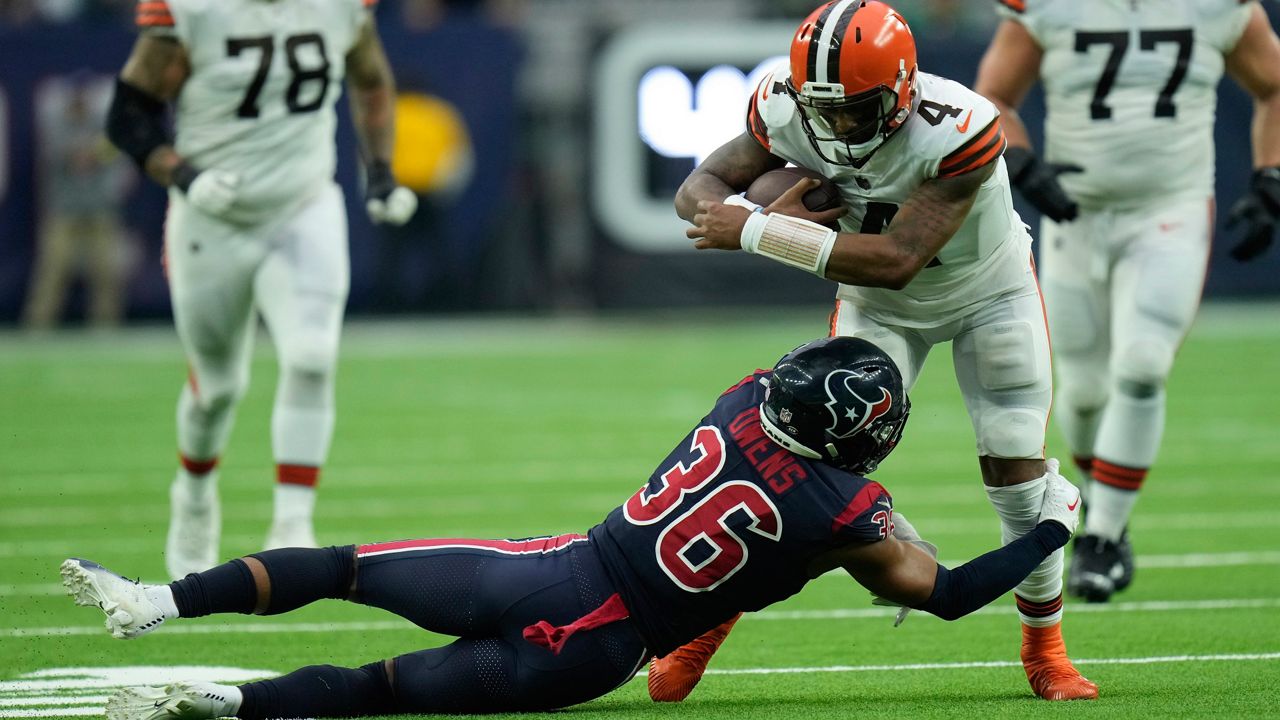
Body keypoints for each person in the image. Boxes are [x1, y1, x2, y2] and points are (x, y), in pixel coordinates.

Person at [60, 337, 1083, 719]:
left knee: (338, 567)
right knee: (374, 694)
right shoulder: (840, 511)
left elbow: (793, 440)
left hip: (545, 571)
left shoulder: (739, 398)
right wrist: (1046, 531)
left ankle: (154, 603)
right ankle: (223, 707)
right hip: (597, 648)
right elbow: (941, 594)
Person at [666, 0, 1095, 702]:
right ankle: (709, 625)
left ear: (901, 90)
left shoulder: (960, 127)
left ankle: (1044, 648)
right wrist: (754, 213)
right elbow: (699, 191)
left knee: (1018, 480)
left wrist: (757, 233)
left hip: (987, 291)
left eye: (855, 111)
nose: (836, 127)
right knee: (798, 471)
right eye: (822, 109)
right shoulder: (783, 101)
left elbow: (899, 257)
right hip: (877, 307)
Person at [973, 0, 1280, 602]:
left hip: (1172, 208)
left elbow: (1273, 85)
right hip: (1077, 214)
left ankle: (1105, 537)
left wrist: (1271, 175)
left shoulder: (1216, 7)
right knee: (1083, 392)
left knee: (1142, 366)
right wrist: (1021, 158)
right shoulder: (1048, 8)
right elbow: (994, 99)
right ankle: (1108, 509)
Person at [104, 0, 419, 580]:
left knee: (312, 356)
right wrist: (185, 176)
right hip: (211, 216)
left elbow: (371, 81)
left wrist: (379, 173)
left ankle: (293, 524)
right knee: (217, 387)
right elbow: (128, 115)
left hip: (303, 204)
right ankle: (194, 498)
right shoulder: (192, 8)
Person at [23, 76, 130, 330]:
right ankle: (38, 325)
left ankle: (106, 325)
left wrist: (93, 152)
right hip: (64, 209)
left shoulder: (102, 123)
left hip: (100, 207)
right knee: (53, 269)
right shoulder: (56, 124)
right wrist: (83, 151)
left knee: (106, 271)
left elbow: (111, 151)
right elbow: (58, 153)